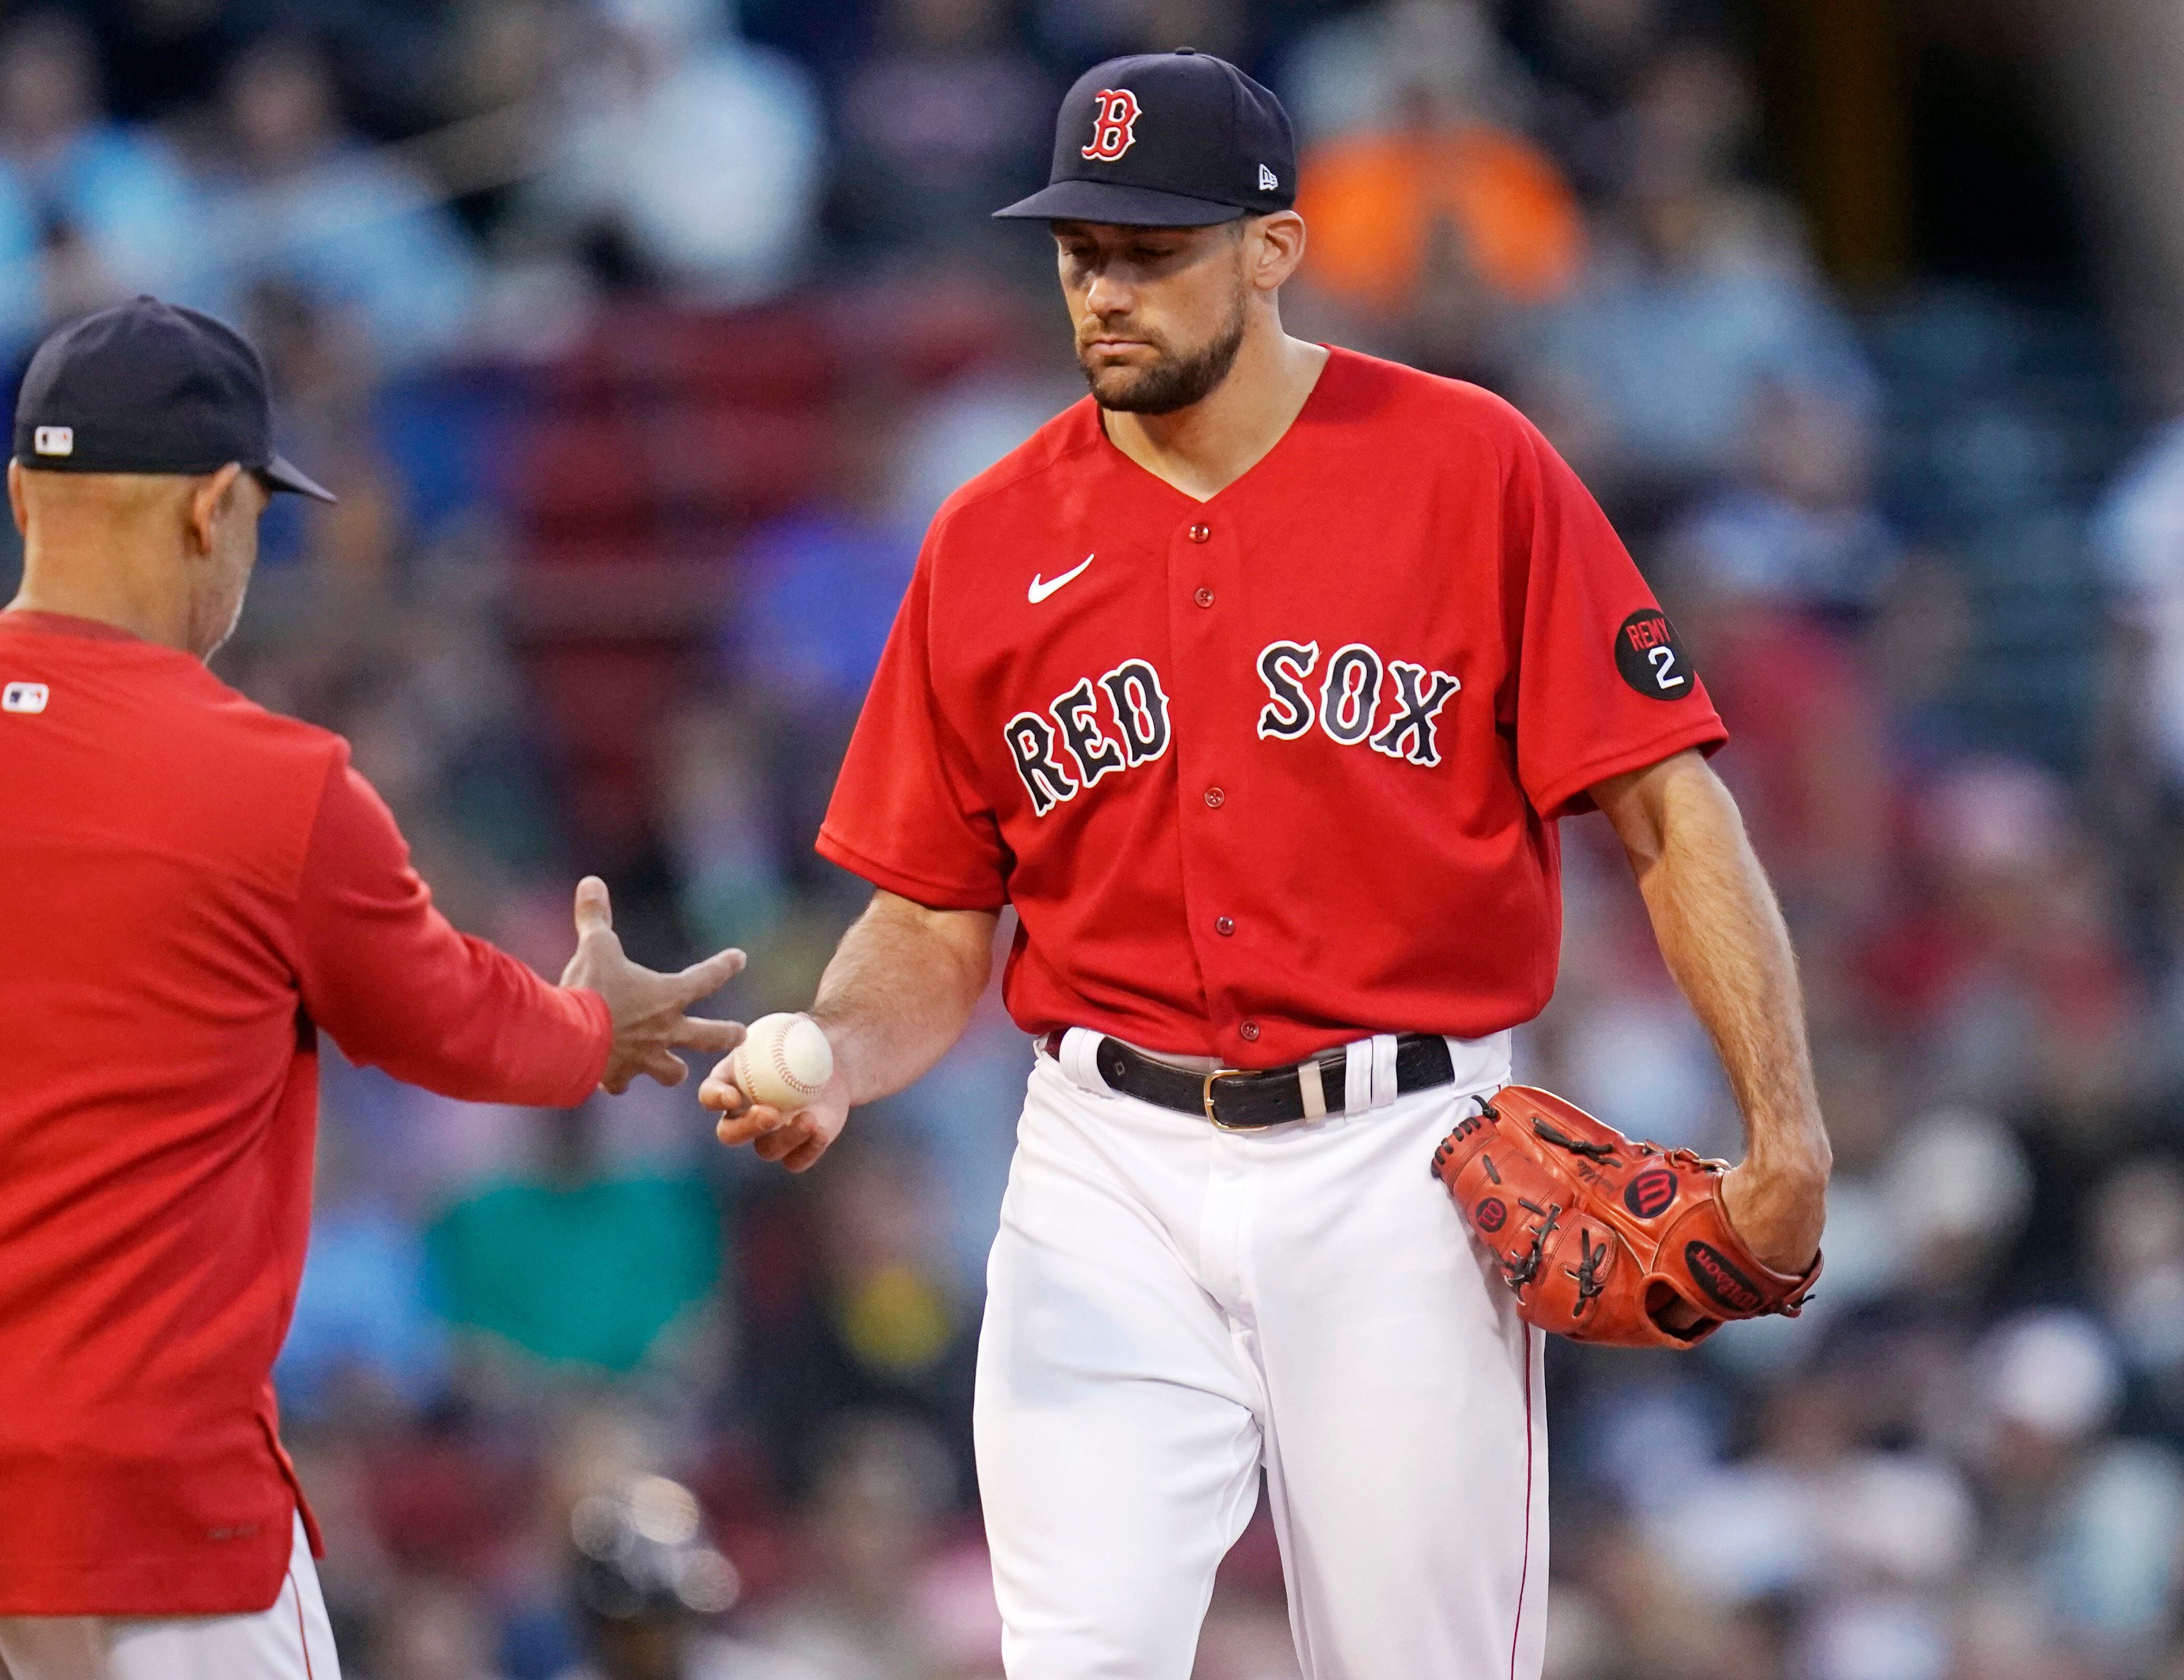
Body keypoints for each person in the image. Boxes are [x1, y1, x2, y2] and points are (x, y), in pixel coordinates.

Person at [701, 51, 1831, 1680]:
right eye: (1082, 252)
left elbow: (1670, 807)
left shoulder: (1471, 466)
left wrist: (1783, 1123)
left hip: (1400, 1157)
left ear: (1275, 250)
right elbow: (933, 911)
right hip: (1101, 1165)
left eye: (1151, 252)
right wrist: (842, 1067)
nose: (1104, 291)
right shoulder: (991, 537)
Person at [0, 296, 746, 1678]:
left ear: (19, 494)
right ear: (213, 508)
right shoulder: (273, 785)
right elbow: (461, 1025)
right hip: (141, 1526)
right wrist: (600, 1025)